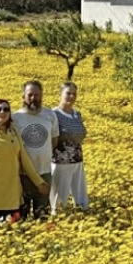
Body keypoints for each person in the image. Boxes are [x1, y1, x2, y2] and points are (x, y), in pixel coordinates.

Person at [13, 79, 59, 220]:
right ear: (23, 96)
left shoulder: (50, 115)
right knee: (22, 215)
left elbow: (54, 140)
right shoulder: (15, 117)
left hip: (44, 172)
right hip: (22, 175)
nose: (33, 98)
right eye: (30, 95)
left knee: (43, 215)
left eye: (37, 95)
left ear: (42, 96)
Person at [50, 82, 88, 212]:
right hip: (61, 161)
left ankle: (82, 211)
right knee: (60, 194)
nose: (71, 96)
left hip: (77, 159)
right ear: (60, 94)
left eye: (74, 94)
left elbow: (82, 134)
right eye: (68, 93)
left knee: (80, 191)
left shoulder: (77, 114)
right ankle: (59, 215)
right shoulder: (53, 114)